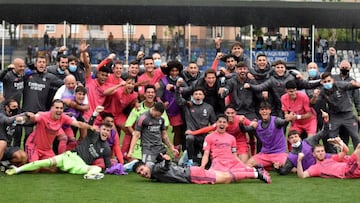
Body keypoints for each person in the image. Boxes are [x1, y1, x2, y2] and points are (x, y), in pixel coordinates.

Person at [5, 121, 113, 180]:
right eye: (104, 129)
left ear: (109, 133)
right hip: (68, 156)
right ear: (100, 130)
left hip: (79, 165)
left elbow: (108, 166)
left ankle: (89, 175)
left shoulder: (107, 148)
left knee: (97, 168)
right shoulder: (92, 135)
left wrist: (117, 169)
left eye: (108, 131)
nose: (105, 132)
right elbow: (89, 123)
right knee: (44, 163)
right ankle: (17, 170)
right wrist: (94, 113)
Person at [25, 99, 95, 163]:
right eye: (57, 108)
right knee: (34, 168)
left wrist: (90, 127)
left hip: (47, 150)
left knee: (54, 168)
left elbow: (78, 124)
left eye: (61, 108)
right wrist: (32, 116)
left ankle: (52, 159)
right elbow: (34, 119)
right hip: (34, 146)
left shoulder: (63, 117)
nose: (59, 110)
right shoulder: (43, 116)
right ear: (52, 108)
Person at [133, 153, 271, 184]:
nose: (142, 173)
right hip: (192, 171)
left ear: (146, 165)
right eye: (140, 173)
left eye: (142, 170)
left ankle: (257, 175)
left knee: (227, 178)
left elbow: (164, 166)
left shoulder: (156, 169)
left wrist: (166, 160)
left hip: (192, 175)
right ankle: (255, 171)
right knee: (226, 174)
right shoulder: (154, 173)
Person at [186, 105, 256, 163]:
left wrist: (253, 123)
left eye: (232, 113)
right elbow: (208, 128)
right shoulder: (222, 122)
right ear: (225, 113)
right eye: (228, 113)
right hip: (227, 145)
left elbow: (252, 124)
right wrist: (193, 132)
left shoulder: (240, 119)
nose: (230, 115)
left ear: (235, 113)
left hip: (241, 144)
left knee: (242, 164)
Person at [311, 72, 360, 153]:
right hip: (335, 116)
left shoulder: (340, 85)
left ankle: (357, 159)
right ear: (322, 82)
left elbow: (354, 86)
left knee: (355, 136)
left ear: (332, 80)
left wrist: (356, 84)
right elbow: (312, 103)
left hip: (348, 115)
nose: (327, 83)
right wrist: (314, 96)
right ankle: (334, 158)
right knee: (331, 138)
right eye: (325, 82)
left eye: (329, 81)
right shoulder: (322, 91)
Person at [275, 109, 331, 175]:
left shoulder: (309, 141)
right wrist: (277, 168)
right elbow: (284, 172)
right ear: (289, 141)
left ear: (300, 138)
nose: (294, 139)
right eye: (291, 138)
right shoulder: (291, 157)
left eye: (296, 136)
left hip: (327, 161)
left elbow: (324, 132)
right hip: (314, 171)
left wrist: (326, 120)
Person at [124, 85, 170, 161]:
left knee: (164, 162)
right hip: (140, 142)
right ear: (144, 94)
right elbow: (128, 125)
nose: (150, 94)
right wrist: (136, 135)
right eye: (148, 92)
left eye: (152, 92)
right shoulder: (138, 108)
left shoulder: (160, 108)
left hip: (155, 142)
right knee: (134, 161)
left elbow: (166, 125)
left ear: (155, 94)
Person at [176, 87, 216, 166]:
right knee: (189, 138)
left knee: (208, 164)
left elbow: (214, 124)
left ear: (203, 96)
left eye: (200, 94)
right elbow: (178, 100)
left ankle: (202, 159)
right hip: (191, 136)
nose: (198, 96)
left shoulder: (208, 107)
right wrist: (177, 88)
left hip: (204, 136)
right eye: (196, 94)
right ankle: (189, 160)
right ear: (192, 96)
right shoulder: (188, 105)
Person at [244, 102, 289, 169]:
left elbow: (284, 122)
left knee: (289, 167)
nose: (264, 111)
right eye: (262, 109)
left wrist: (287, 119)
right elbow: (244, 129)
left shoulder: (276, 120)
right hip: (265, 154)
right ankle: (269, 166)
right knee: (248, 164)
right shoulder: (257, 124)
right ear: (259, 111)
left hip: (279, 153)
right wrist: (241, 123)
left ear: (270, 111)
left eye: (266, 109)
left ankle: (269, 166)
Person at [0, 99, 31, 167]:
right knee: (2, 143)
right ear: (7, 107)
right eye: (13, 107)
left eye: (17, 107)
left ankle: (5, 163)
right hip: (1, 145)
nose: (16, 109)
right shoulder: (1, 115)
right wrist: (25, 114)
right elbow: (7, 121)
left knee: (23, 157)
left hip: (7, 148)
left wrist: (31, 117)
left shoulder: (17, 118)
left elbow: (30, 123)